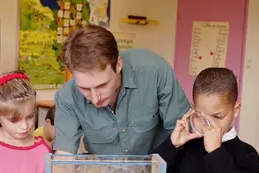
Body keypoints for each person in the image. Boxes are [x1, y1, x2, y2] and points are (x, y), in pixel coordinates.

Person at [53, 25, 190, 155]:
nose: (95, 98)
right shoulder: (66, 97)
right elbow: (64, 158)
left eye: (102, 85)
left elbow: (185, 134)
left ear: (118, 65)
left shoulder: (154, 71)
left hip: (162, 168)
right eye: (85, 88)